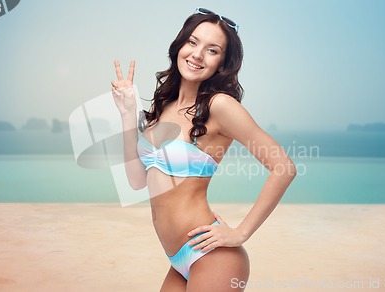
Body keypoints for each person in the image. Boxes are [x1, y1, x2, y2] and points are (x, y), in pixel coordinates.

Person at [111, 7, 296, 291]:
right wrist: (127, 113)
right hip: (176, 258)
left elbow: (284, 168)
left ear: (222, 63)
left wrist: (240, 233)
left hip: (212, 256)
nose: (197, 54)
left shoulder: (220, 106)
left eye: (212, 50)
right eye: (193, 42)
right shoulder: (164, 106)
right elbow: (137, 181)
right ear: (180, 46)